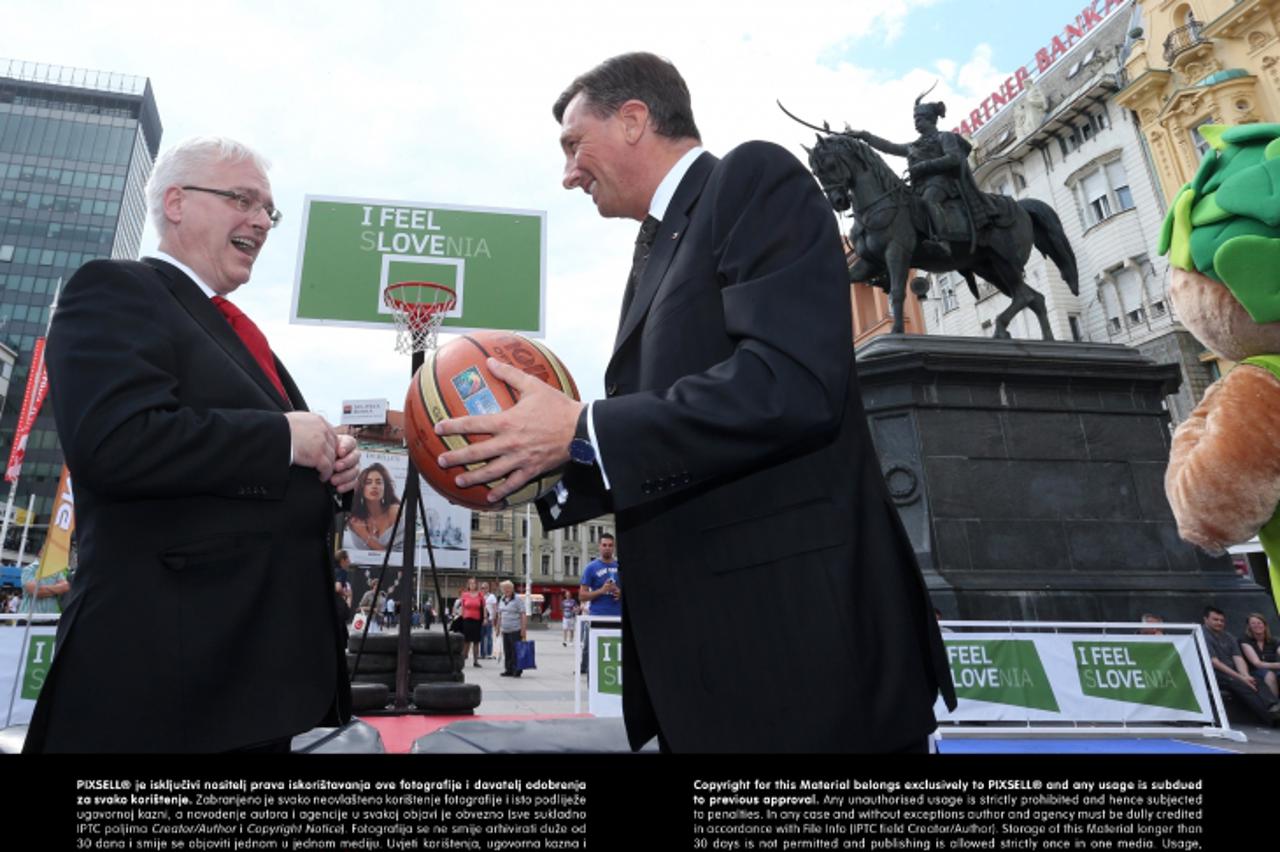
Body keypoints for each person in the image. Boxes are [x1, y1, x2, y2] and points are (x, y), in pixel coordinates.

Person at [435, 52, 955, 752]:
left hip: (798, 657)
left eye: (572, 144)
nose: (567, 173)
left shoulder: (751, 179)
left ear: (633, 120)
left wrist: (582, 427)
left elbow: (791, 383)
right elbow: (674, 437)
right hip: (713, 663)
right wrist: (537, 470)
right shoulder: (656, 245)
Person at [24, 136, 360, 753]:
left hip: (248, 677)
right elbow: (116, 442)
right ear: (176, 202)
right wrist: (283, 437)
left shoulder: (235, 331)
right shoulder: (116, 288)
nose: (261, 221)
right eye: (242, 199)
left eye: (269, 211)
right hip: (164, 677)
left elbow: (249, 476)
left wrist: (327, 468)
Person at [1201, 605, 1280, 725]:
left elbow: (1238, 658)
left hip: (1232, 673)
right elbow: (1214, 662)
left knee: (1255, 680)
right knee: (1241, 684)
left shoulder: (1229, 637)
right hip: (1213, 674)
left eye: (1222, 620)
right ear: (1206, 619)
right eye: (1215, 619)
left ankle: (1274, 706)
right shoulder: (1202, 635)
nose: (1219, 623)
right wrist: (1240, 678)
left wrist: (1245, 675)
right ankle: (1273, 719)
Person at [578, 534, 620, 674]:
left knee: (616, 658)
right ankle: (593, 690)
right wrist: (602, 590)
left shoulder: (620, 566)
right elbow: (582, 595)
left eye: (610, 545)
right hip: (598, 618)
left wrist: (621, 593)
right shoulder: (591, 567)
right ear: (599, 546)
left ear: (613, 547)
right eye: (604, 545)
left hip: (617, 618)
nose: (607, 548)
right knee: (594, 656)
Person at [344, 463, 404, 552]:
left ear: (385, 488)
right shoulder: (354, 519)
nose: (374, 486)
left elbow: (389, 556)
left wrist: (364, 534)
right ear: (361, 488)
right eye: (368, 483)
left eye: (379, 482)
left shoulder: (394, 512)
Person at [1240, 613, 1280, 699]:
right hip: (1254, 671)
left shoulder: (1273, 640)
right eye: (1253, 623)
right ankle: (1276, 706)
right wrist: (1278, 665)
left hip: (1273, 669)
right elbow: (1257, 663)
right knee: (1270, 675)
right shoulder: (1245, 641)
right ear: (1249, 627)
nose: (1257, 625)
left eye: (1259, 623)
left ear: (1265, 625)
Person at [496, 580, 528, 677]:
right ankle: (508, 669)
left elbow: (523, 614)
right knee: (507, 651)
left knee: (515, 651)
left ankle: (517, 670)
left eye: (508, 588)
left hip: (515, 629)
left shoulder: (517, 599)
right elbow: (500, 614)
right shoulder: (502, 599)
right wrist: (498, 627)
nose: (506, 590)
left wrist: (523, 630)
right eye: (504, 588)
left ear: (512, 588)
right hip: (505, 630)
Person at [457, 576, 486, 668]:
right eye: (471, 583)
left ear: (476, 585)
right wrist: (461, 618)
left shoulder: (480, 595)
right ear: (468, 585)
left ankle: (476, 661)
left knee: (476, 641)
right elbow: (463, 608)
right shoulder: (464, 595)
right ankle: (463, 659)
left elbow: (484, 607)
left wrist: (485, 618)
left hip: (477, 620)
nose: (472, 585)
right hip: (467, 620)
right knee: (466, 640)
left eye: (474, 583)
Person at [480, 581, 498, 659]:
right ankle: (482, 654)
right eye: (482, 588)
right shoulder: (480, 596)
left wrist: (494, 619)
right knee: (481, 637)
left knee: (489, 636)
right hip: (480, 620)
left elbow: (495, 608)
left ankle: (489, 653)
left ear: (488, 588)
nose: (484, 589)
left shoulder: (492, 597)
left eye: (485, 588)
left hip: (489, 619)